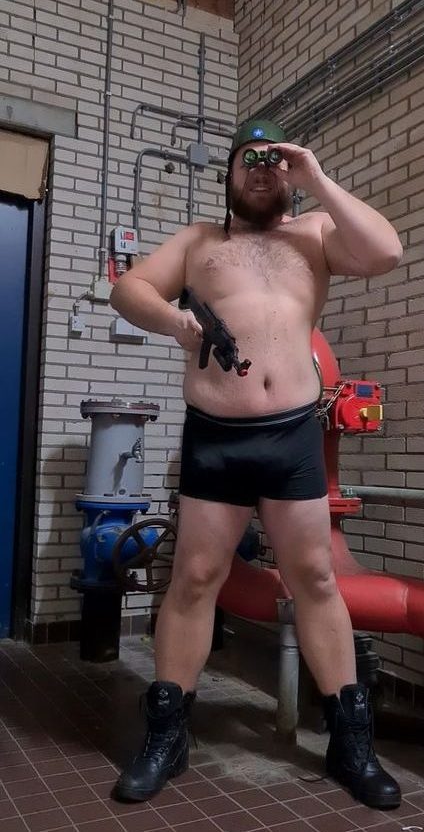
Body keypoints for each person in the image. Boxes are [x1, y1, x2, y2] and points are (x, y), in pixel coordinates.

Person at [110, 119, 403, 809]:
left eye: (274, 161)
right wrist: (175, 322)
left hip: (292, 436)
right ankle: (167, 735)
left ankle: (350, 744)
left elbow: (386, 251)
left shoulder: (315, 234)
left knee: (316, 580)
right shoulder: (199, 241)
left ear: (289, 172)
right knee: (195, 579)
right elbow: (129, 289)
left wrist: (316, 175)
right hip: (216, 437)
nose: (262, 170)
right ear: (230, 174)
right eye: (250, 159)